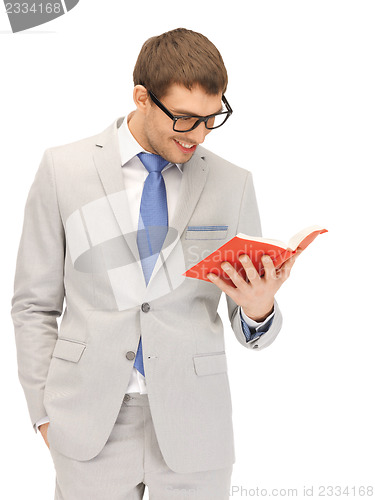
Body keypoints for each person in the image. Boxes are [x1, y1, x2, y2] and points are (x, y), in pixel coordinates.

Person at [11, 28, 301, 500]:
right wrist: (44, 414)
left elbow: (252, 328)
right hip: (87, 426)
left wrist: (258, 310)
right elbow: (33, 305)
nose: (200, 135)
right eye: (185, 119)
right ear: (141, 97)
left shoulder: (233, 183)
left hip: (196, 429)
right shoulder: (64, 169)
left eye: (212, 118)